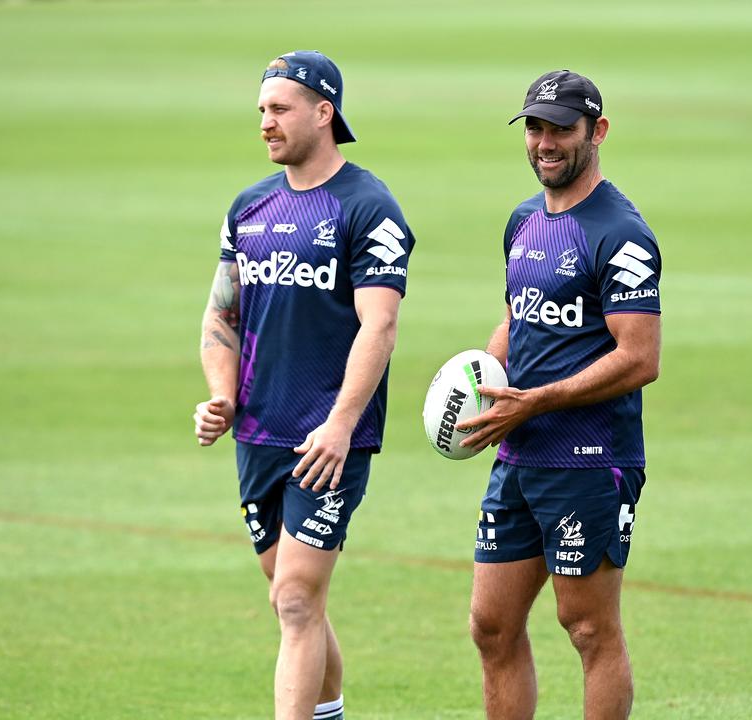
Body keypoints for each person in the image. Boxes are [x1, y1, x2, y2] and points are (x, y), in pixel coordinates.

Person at [193, 50, 414, 720]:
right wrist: (221, 393)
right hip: (258, 432)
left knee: (294, 599)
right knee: (293, 598)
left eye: (280, 108)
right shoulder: (249, 207)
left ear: (325, 113)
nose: (265, 121)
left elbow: (379, 327)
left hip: (328, 440)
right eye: (261, 109)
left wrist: (343, 423)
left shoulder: (368, 207)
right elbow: (222, 312)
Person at [456, 69, 662, 720]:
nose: (545, 142)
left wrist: (539, 399)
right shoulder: (523, 221)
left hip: (589, 459)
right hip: (519, 454)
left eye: (560, 129)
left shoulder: (620, 233)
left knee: (588, 628)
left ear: (596, 132)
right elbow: (520, 318)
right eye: (536, 128)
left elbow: (640, 358)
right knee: (491, 625)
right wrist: (483, 369)